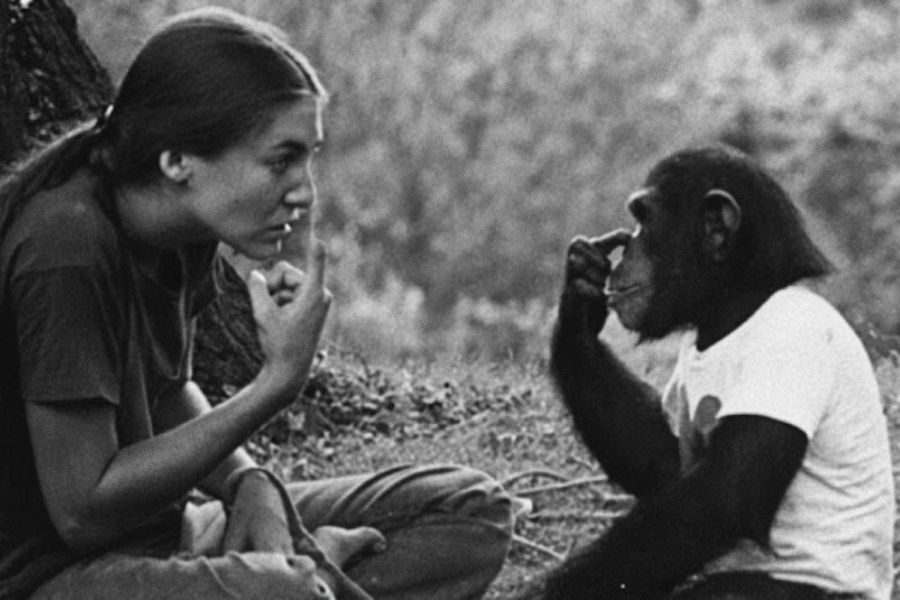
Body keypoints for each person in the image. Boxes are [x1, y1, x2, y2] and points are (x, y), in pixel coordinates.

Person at [0, 8, 513, 600]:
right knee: (280, 593)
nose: (303, 190)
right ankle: (308, 576)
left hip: (169, 536)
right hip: (50, 578)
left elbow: (169, 394)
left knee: (470, 513)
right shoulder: (65, 249)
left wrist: (249, 484)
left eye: (308, 158)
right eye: (281, 160)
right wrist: (274, 386)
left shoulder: (182, 231)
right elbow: (82, 511)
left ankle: (303, 573)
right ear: (177, 161)